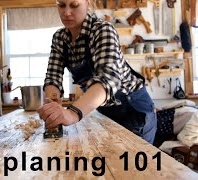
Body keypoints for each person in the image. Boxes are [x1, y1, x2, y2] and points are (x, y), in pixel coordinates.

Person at [37, 0, 157, 144]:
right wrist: (53, 108)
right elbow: (53, 77)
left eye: (74, 5)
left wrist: (72, 113)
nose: (66, 12)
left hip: (134, 111)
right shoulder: (60, 38)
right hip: (107, 112)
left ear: (88, 3)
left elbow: (107, 80)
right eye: (61, 5)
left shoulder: (102, 30)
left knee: (131, 164)